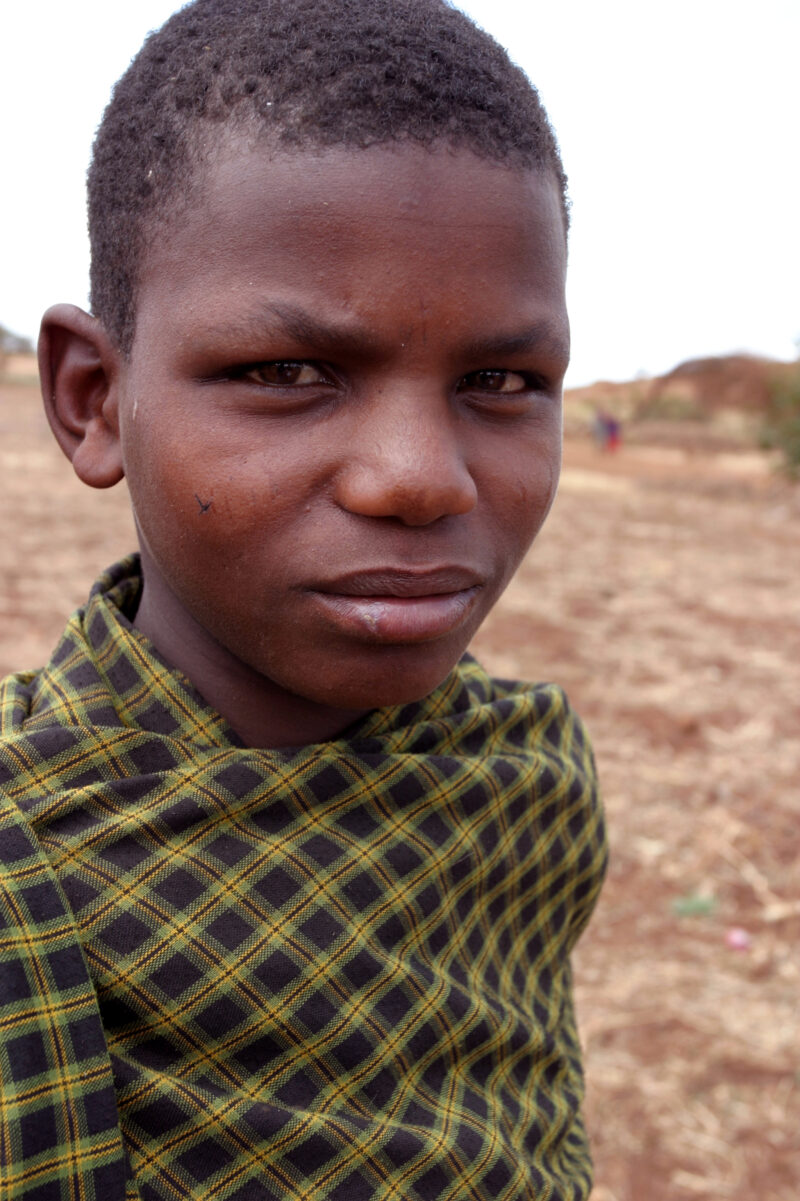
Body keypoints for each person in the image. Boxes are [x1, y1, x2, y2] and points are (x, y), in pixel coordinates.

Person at [0, 1, 607, 1197]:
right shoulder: (34, 870)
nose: (418, 479)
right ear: (92, 399)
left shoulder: (520, 793)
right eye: (285, 372)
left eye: (499, 380)